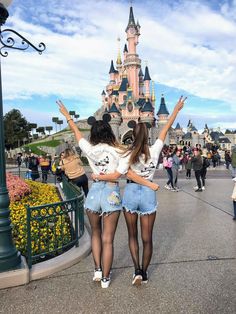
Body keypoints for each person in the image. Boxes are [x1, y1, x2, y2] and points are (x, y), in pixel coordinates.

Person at [57, 100, 158, 289]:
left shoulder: (89, 149)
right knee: (108, 238)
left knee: (96, 232)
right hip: (111, 192)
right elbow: (121, 174)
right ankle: (105, 278)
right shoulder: (119, 150)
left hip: (94, 192)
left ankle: (97, 270)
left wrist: (68, 116)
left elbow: (77, 133)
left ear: (94, 134)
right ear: (110, 132)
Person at [92, 96, 186, 285]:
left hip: (132, 194)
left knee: (132, 235)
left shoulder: (127, 153)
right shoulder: (155, 149)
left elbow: (122, 173)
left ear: (133, 135)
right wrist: (176, 110)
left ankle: (136, 270)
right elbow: (166, 127)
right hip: (148, 195)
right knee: (147, 238)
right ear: (148, 133)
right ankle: (144, 273)